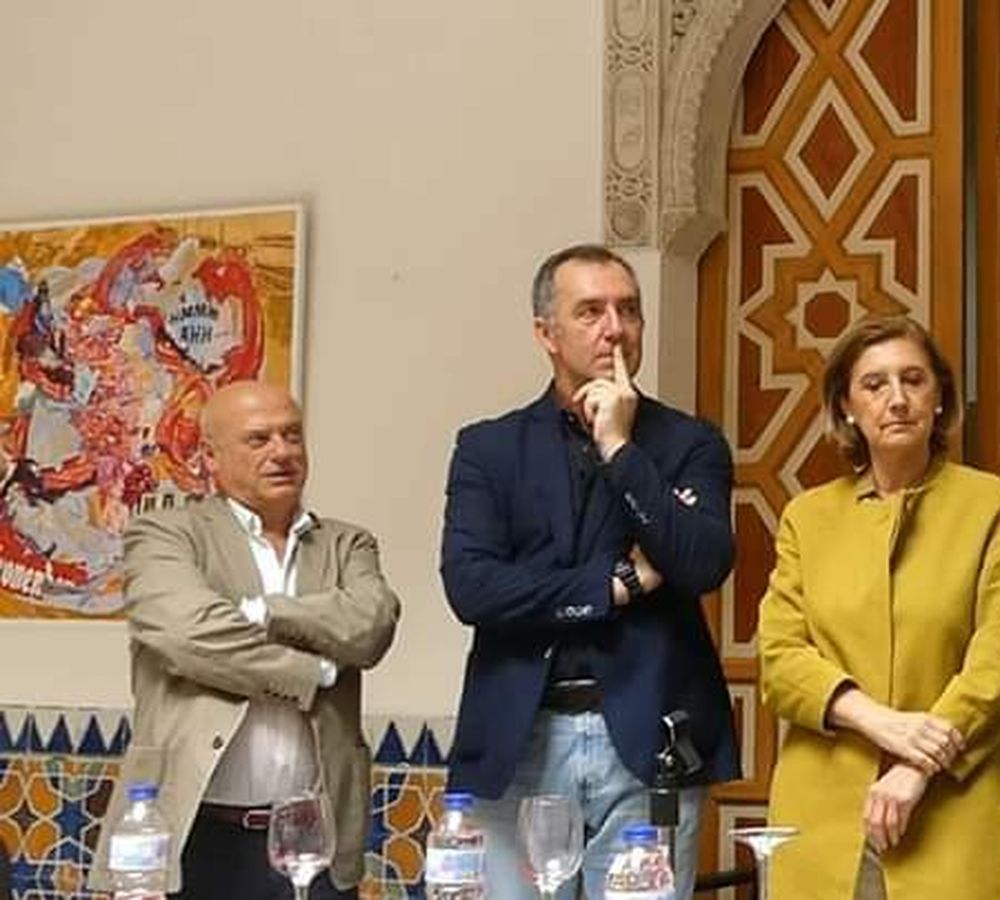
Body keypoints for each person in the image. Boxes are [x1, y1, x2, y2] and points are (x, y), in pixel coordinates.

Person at [440, 243, 739, 898]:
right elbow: (473, 587)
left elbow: (702, 561)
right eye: (591, 311)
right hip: (519, 738)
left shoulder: (689, 444)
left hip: (648, 738)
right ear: (546, 333)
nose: (615, 328)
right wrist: (616, 585)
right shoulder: (488, 449)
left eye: (629, 310)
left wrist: (618, 447)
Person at [758, 316, 1000, 898]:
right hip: (825, 814)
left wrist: (917, 765)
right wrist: (879, 722)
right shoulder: (807, 518)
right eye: (875, 384)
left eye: (914, 380)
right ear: (847, 408)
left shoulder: (989, 504)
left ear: (939, 398)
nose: (897, 399)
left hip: (952, 808)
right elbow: (781, 660)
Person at [87, 381, 401, 899]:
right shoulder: (165, 535)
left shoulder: (348, 543)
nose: (282, 451)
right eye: (258, 440)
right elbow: (188, 634)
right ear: (210, 456)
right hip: (192, 836)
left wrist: (261, 613)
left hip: (311, 841)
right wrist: (315, 670)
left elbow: (370, 625)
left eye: (292, 436)